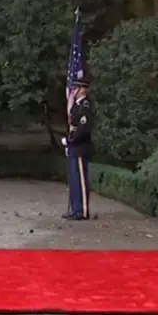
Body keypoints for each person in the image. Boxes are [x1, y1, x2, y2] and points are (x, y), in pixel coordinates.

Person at [61, 76, 93, 220]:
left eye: (76, 88)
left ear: (83, 89)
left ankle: (81, 210)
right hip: (75, 147)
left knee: (80, 180)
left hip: (80, 147)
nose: (73, 90)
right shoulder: (77, 105)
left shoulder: (85, 106)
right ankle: (75, 208)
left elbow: (83, 129)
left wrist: (70, 140)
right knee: (73, 179)